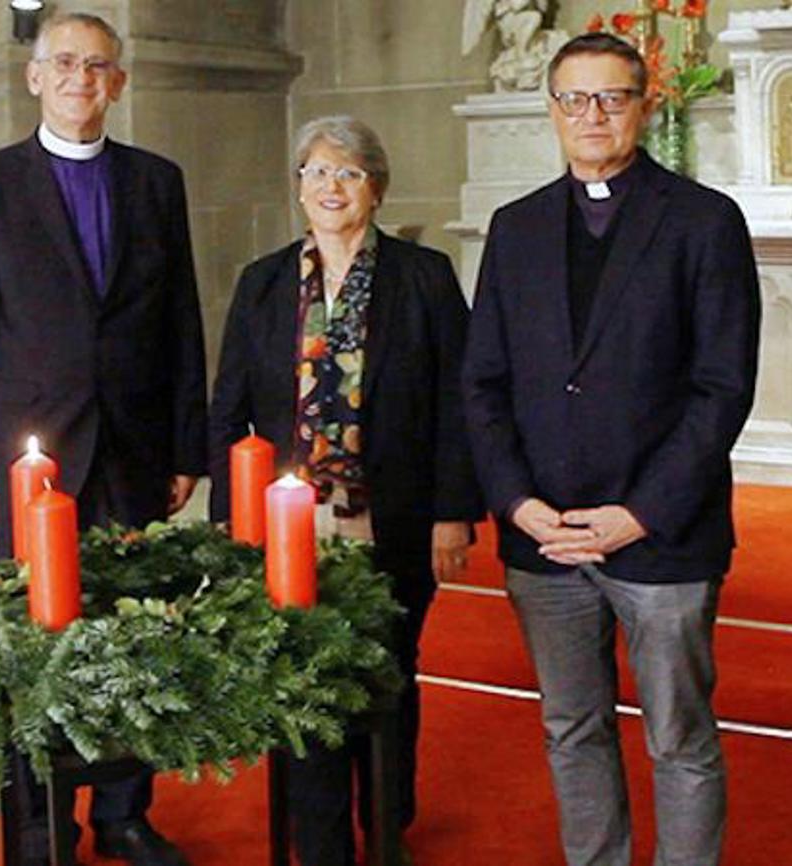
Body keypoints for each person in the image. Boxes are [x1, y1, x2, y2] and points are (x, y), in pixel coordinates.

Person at [462, 33, 761, 866]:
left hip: (661, 536)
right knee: (572, 728)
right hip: (544, 535)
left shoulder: (705, 223)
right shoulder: (515, 228)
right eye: (574, 99)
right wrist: (518, 504)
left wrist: (639, 513)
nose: (592, 115)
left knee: (679, 736)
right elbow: (483, 383)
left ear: (643, 105)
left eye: (612, 98)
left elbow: (721, 389)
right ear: (552, 111)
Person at [0, 12, 205, 866]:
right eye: (64, 63)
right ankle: (33, 822)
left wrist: (185, 448)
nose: (81, 79)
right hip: (30, 463)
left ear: (117, 84)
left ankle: (124, 814)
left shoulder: (157, 180)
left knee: (134, 632)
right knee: (33, 641)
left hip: (132, 450)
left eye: (98, 66)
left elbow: (181, 326)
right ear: (34, 77)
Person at [208, 116, 483, 866]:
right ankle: (321, 839)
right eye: (316, 172)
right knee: (299, 674)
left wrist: (454, 512)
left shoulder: (423, 278)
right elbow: (229, 405)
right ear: (297, 186)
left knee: (387, 669)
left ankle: (387, 817)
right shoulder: (262, 283)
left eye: (349, 173)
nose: (331, 187)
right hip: (288, 518)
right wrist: (230, 525)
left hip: (391, 514)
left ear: (378, 189)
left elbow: (462, 404)